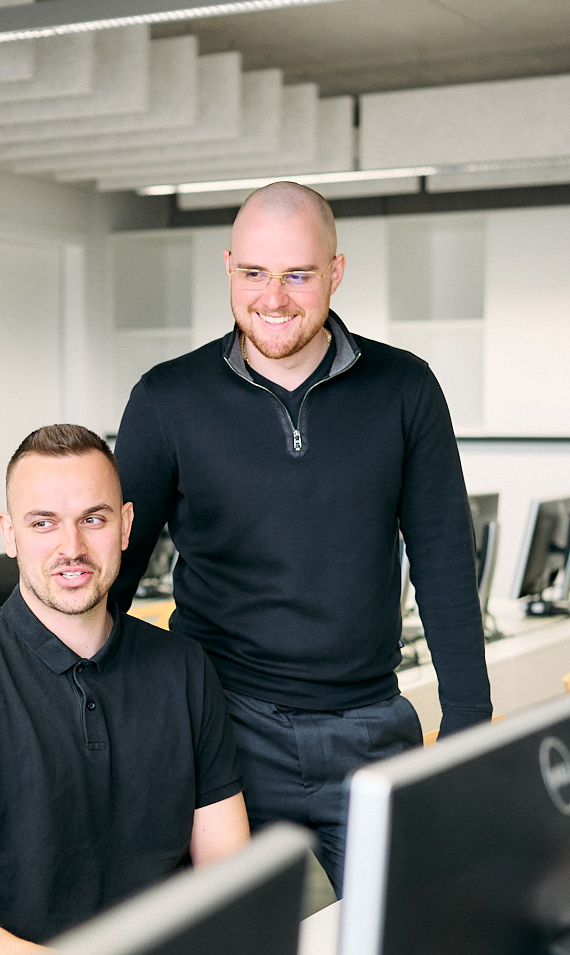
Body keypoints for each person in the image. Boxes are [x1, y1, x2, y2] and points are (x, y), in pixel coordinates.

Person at [110, 180, 491, 893]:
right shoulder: (167, 399)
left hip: (372, 729)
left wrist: (469, 722)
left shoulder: (406, 388)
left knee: (416, 948)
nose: (274, 297)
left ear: (336, 273)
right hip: (224, 734)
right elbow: (114, 575)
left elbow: (443, 557)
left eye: (298, 275)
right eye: (254, 273)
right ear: (228, 267)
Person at [0, 423, 250, 955]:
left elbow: (230, 876)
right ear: (9, 534)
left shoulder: (184, 671)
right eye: (43, 522)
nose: (70, 547)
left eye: (93, 519)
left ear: (126, 526)